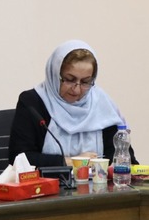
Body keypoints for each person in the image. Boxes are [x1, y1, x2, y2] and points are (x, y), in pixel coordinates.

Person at [9, 40, 137, 168]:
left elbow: (125, 157)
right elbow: (19, 158)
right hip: (47, 180)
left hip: (97, 180)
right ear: (55, 74)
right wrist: (71, 162)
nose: (77, 90)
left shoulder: (101, 103)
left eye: (85, 82)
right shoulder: (33, 102)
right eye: (69, 80)